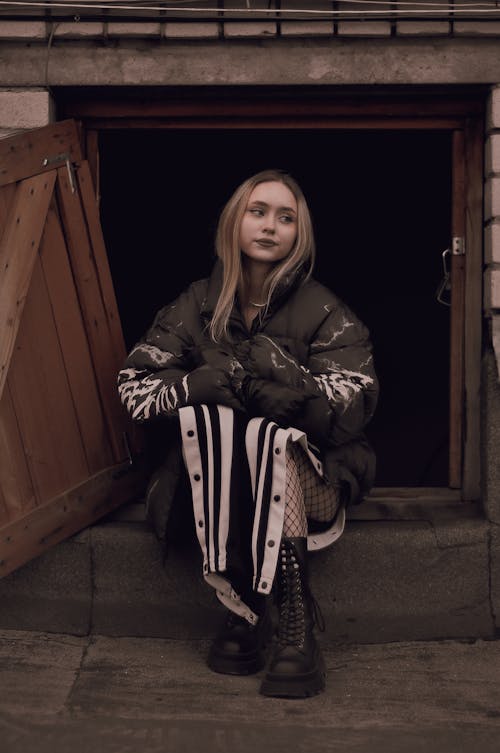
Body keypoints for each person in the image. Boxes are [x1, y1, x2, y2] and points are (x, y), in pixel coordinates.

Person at [117, 169, 378, 699]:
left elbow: (357, 401)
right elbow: (134, 386)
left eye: (286, 217)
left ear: (299, 234)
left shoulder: (325, 309)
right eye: (257, 212)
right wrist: (197, 384)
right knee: (225, 427)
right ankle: (241, 607)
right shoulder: (195, 303)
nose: (270, 226)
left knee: (272, 440)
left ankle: (293, 621)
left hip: (313, 477)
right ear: (234, 223)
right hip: (222, 484)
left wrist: (296, 395)